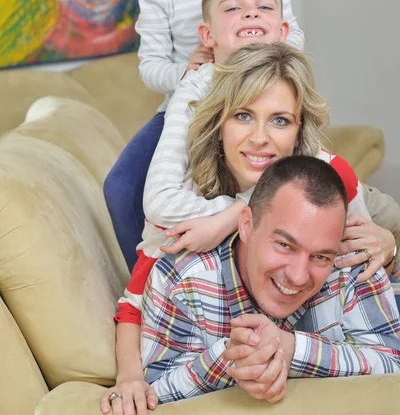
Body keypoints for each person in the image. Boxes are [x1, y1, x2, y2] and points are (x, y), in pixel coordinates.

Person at [101, 40, 397, 414]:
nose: (260, 138)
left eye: (280, 120)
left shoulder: (329, 175)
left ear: (298, 128)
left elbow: (369, 280)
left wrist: (390, 247)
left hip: (366, 221)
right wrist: (130, 375)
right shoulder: (187, 213)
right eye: (243, 116)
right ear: (219, 124)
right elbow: (136, 304)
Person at [103, 0, 304, 271]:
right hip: (192, 105)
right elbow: (150, 68)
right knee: (121, 186)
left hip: (258, 96)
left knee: (304, 171)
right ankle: (151, 277)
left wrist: (265, 66)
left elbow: (294, 36)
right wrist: (185, 70)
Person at [140, 155, 400, 404]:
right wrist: (234, 355)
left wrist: (293, 350)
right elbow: (153, 393)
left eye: (320, 256)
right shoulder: (181, 279)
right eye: (285, 245)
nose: (298, 276)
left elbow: (394, 364)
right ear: (246, 225)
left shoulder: (355, 264)